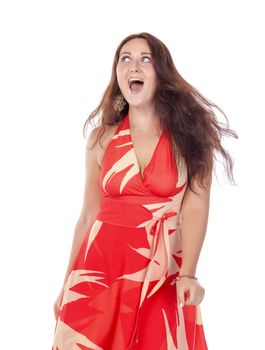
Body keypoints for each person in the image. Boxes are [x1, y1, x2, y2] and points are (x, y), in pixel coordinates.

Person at [51, 32, 237, 350]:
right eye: (126, 59)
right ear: (117, 73)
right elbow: (87, 216)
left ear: (161, 74)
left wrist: (188, 274)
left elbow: (195, 208)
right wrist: (68, 282)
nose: (133, 66)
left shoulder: (190, 138)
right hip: (99, 272)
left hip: (161, 274)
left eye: (145, 59)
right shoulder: (102, 138)